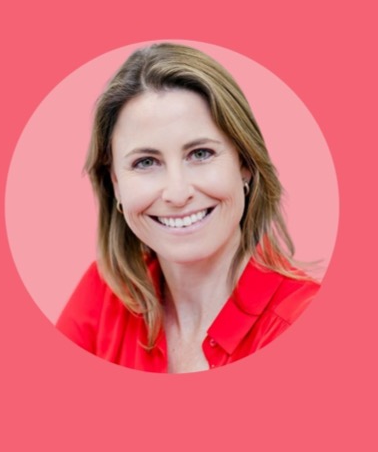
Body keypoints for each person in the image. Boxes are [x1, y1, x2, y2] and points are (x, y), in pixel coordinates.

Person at [56, 43, 319, 373]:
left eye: (201, 154)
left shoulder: (300, 319)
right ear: (115, 183)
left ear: (245, 165)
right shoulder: (104, 294)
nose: (177, 194)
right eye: (146, 161)